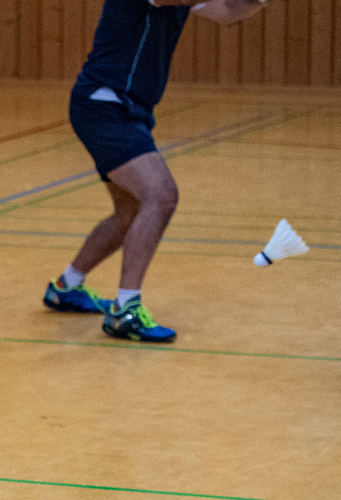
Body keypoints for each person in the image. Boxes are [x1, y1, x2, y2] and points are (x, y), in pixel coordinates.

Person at [43, 0, 269, 343]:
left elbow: (228, 13)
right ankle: (125, 311)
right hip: (106, 106)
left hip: (128, 108)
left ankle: (66, 287)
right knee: (160, 196)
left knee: (129, 210)